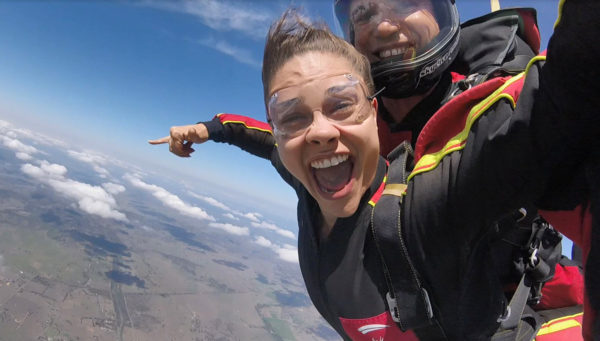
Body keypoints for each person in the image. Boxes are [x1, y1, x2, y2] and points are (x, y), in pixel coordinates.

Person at [150, 3, 599, 339]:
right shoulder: (308, 173)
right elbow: (267, 140)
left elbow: (562, 99)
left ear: (369, 107)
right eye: (363, 10)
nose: (320, 133)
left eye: (340, 105)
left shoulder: (422, 208)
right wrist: (211, 130)